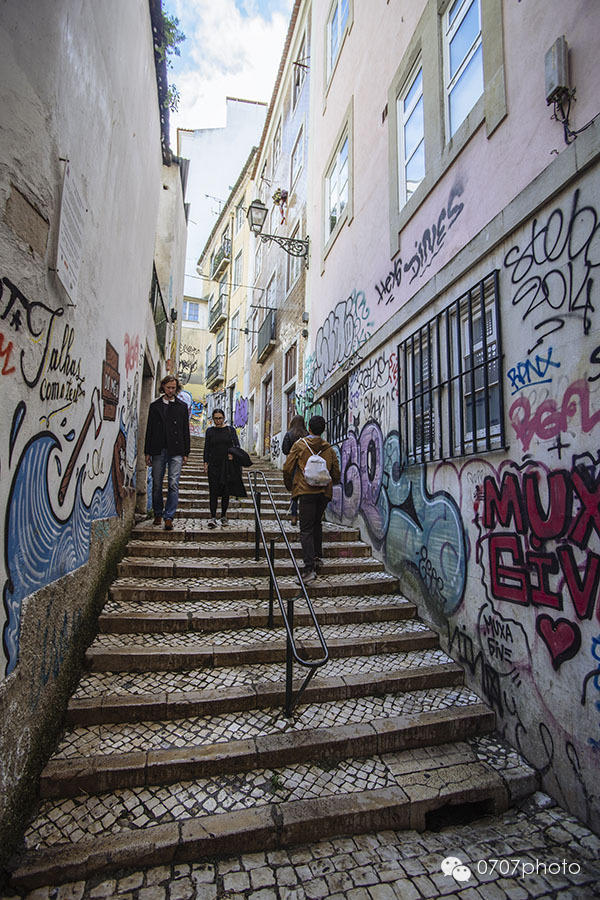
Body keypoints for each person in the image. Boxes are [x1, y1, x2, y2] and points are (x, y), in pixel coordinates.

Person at [283, 414, 341, 584]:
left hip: (306, 491)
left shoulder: (300, 445)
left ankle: (309, 570)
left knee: (306, 529)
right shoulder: (329, 448)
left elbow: (287, 468)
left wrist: (291, 486)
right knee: (317, 524)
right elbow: (335, 471)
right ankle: (317, 557)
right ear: (323, 430)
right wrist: (331, 483)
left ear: (309, 428)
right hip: (324, 493)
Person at [144, 374, 190, 531]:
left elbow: (185, 430)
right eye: (169, 387)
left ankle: (169, 516)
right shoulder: (155, 406)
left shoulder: (182, 407)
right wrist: (147, 452)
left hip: (176, 450)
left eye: (174, 388)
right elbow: (149, 430)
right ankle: (158, 512)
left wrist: (186, 452)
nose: (171, 390)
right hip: (158, 449)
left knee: (173, 483)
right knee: (157, 483)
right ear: (163, 386)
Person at [203, 408, 240, 527]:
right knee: (213, 491)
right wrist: (205, 463)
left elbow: (237, 446)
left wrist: (233, 455)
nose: (218, 421)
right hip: (214, 464)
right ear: (213, 419)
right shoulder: (210, 431)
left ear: (224, 418)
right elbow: (206, 448)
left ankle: (224, 515)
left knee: (226, 491)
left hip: (227, 465)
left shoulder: (230, 430)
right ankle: (212, 517)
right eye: (215, 418)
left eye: (220, 418)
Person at [282, 413, 308, 526]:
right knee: (305, 490)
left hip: (293, 465)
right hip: (305, 465)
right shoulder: (307, 435)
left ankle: (294, 516)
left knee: (294, 492)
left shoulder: (289, 434)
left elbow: (284, 450)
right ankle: (304, 516)